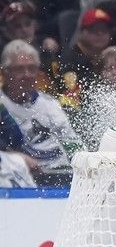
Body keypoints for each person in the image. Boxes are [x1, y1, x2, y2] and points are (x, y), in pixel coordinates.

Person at [0, 39, 84, 186]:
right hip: (20, 178)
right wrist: (14, 157)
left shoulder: (49, 104)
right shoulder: (2, 105)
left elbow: (72, 142)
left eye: (32, 68)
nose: (27, 75)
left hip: (59, 173)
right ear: (6, 72)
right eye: (20, 69)